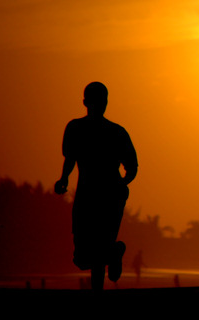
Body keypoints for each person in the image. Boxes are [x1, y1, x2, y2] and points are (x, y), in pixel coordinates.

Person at [54, 82, 138, 291]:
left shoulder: (116, 132)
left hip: (108, 197)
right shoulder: (77, 128)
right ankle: (115, 252)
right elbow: (70, 158)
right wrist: (63, 178)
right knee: (83, 258)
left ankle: (99, 286)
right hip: (88, 195)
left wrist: (120, 185)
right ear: (87, 102)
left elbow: (132, 167)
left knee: (98, 252)